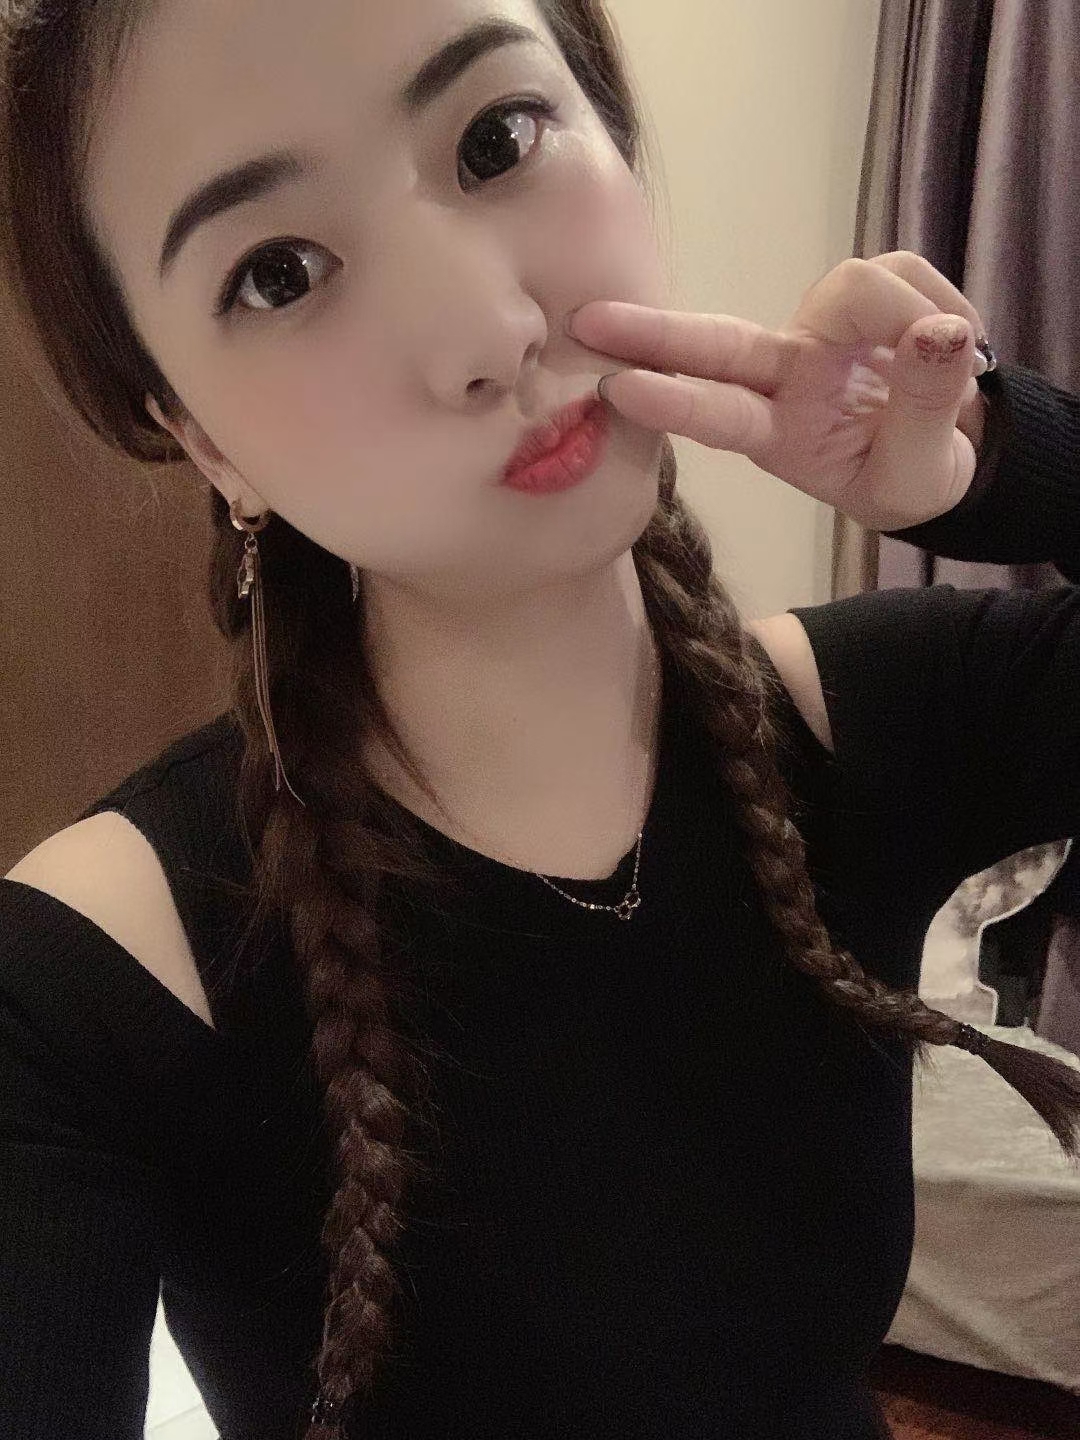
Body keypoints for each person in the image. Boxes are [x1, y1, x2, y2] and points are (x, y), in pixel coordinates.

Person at [0, 4, 1078, 1439]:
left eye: (497, 139)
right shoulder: (88, 977)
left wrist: (999, 460)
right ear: (203, 439)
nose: (489, 332)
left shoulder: (864, 723)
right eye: (279, 273)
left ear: (615, 141)